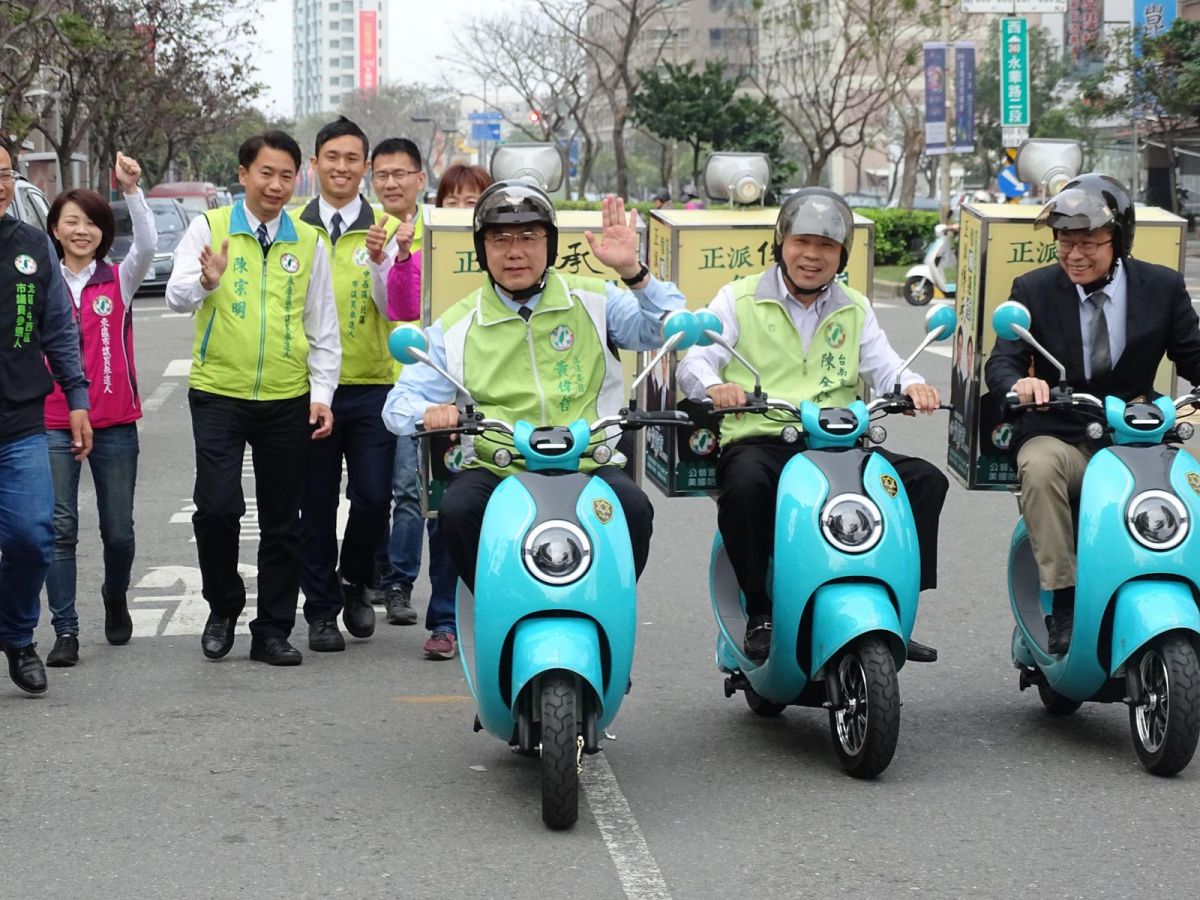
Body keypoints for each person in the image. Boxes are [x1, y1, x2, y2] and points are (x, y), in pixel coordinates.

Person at [677, 188, 948, 662]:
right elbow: (694, 363)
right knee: (743, 487)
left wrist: (914, 385)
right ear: (781, 242)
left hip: (836, 443)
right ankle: (760, 610)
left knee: (924, 481)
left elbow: (886, 367)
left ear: (841, 255)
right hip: (763, 437)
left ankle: (900, 607)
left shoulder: (854, 307)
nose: (812, 255)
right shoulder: (737, 297)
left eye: (827, 246)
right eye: (803, 241)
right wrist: (714, 386)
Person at [382, 182, 686, 597]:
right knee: (457, 511)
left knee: (633, 508)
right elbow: (398, 404)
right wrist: (429, 412)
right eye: (500, 239)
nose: (515, 251)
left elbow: (664, 328)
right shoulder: (458, 323)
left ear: (550, 243)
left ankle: (608, 604)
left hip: (586, 459)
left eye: (529, 237)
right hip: (499, 463)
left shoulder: (595, 299)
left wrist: (633, 272)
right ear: (481, 248)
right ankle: (495, 602)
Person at [984, 173, 1200, 655]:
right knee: (1038, 467)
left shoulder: (1161, 288)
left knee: (1189, 485)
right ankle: (1064, 601)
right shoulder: (1034, 289)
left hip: (1135, 442)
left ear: (1118, 241)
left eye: (1089, 244)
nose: (1074, 255)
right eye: (1065, 242)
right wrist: (1018, 382)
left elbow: (1193, 354)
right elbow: (1003, 360)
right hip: (1061, 437)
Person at [166, 130, 341, 667]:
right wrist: (205, 281)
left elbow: (324, 327)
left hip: (287, 397)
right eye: (266, 172)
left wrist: (322, 393)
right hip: (219, 391)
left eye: (287, 175)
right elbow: (175, 298)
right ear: (243, 174)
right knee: (217, 507)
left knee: (283, 519)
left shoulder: (308, 242)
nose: (276, 184)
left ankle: (272, 630)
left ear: (297, 179)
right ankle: (223, 607)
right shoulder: (209, 227)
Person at [367, 162, 491, 660]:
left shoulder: (514, 255)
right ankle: (441, 617)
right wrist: (397, 257)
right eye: (453, 202)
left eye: (473, 202)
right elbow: (400, 309)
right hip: (439, 395)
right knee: (435, 506)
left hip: (501, 408)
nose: (462, 212)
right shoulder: (425, 252)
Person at [42, 153, 157, 667]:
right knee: (59, 527)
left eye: (91, 222)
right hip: (51, 419)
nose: (82, 230)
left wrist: (131, 189)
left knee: (119, 530)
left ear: (104, 231)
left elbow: (150, 245)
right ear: (55, 229)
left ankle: (115, 594)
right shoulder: (40, 282)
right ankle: (65, 629)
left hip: (114, 422)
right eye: (72, 221)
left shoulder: (120, 280)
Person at [294, 117, 397, 653]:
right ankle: (320, 611)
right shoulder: (294, 229)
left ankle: (356, 580)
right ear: (315, 165)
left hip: (372, 386)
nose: (341, 168)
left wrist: (381, 263)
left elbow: (395, 308)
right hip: (312, 389)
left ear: (366, 168)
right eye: (331, 157)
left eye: (352, 159)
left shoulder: (384, 230)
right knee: (314, 504)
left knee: (374, 496)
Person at [0, 137, 92, 694]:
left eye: (4, 173)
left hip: (20, 420)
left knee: (35, 536)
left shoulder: (32, 245)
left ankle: (15, 635)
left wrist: (77, 398)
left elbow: (58, 328)